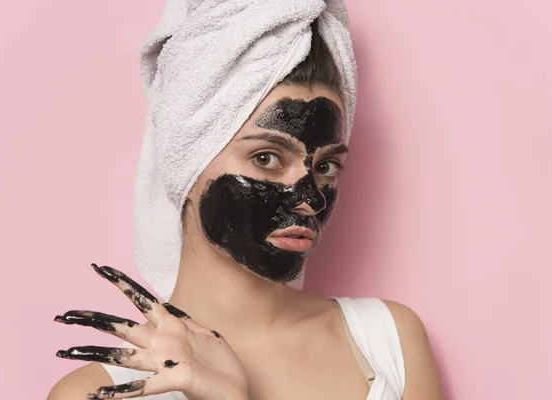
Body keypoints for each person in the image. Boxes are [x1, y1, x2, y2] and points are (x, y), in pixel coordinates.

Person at [48, 10, 441, 400]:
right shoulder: (97, 393)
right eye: (266, 158)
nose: (310, 198)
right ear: (187, 162)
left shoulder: (389, 341)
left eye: (326, 166)